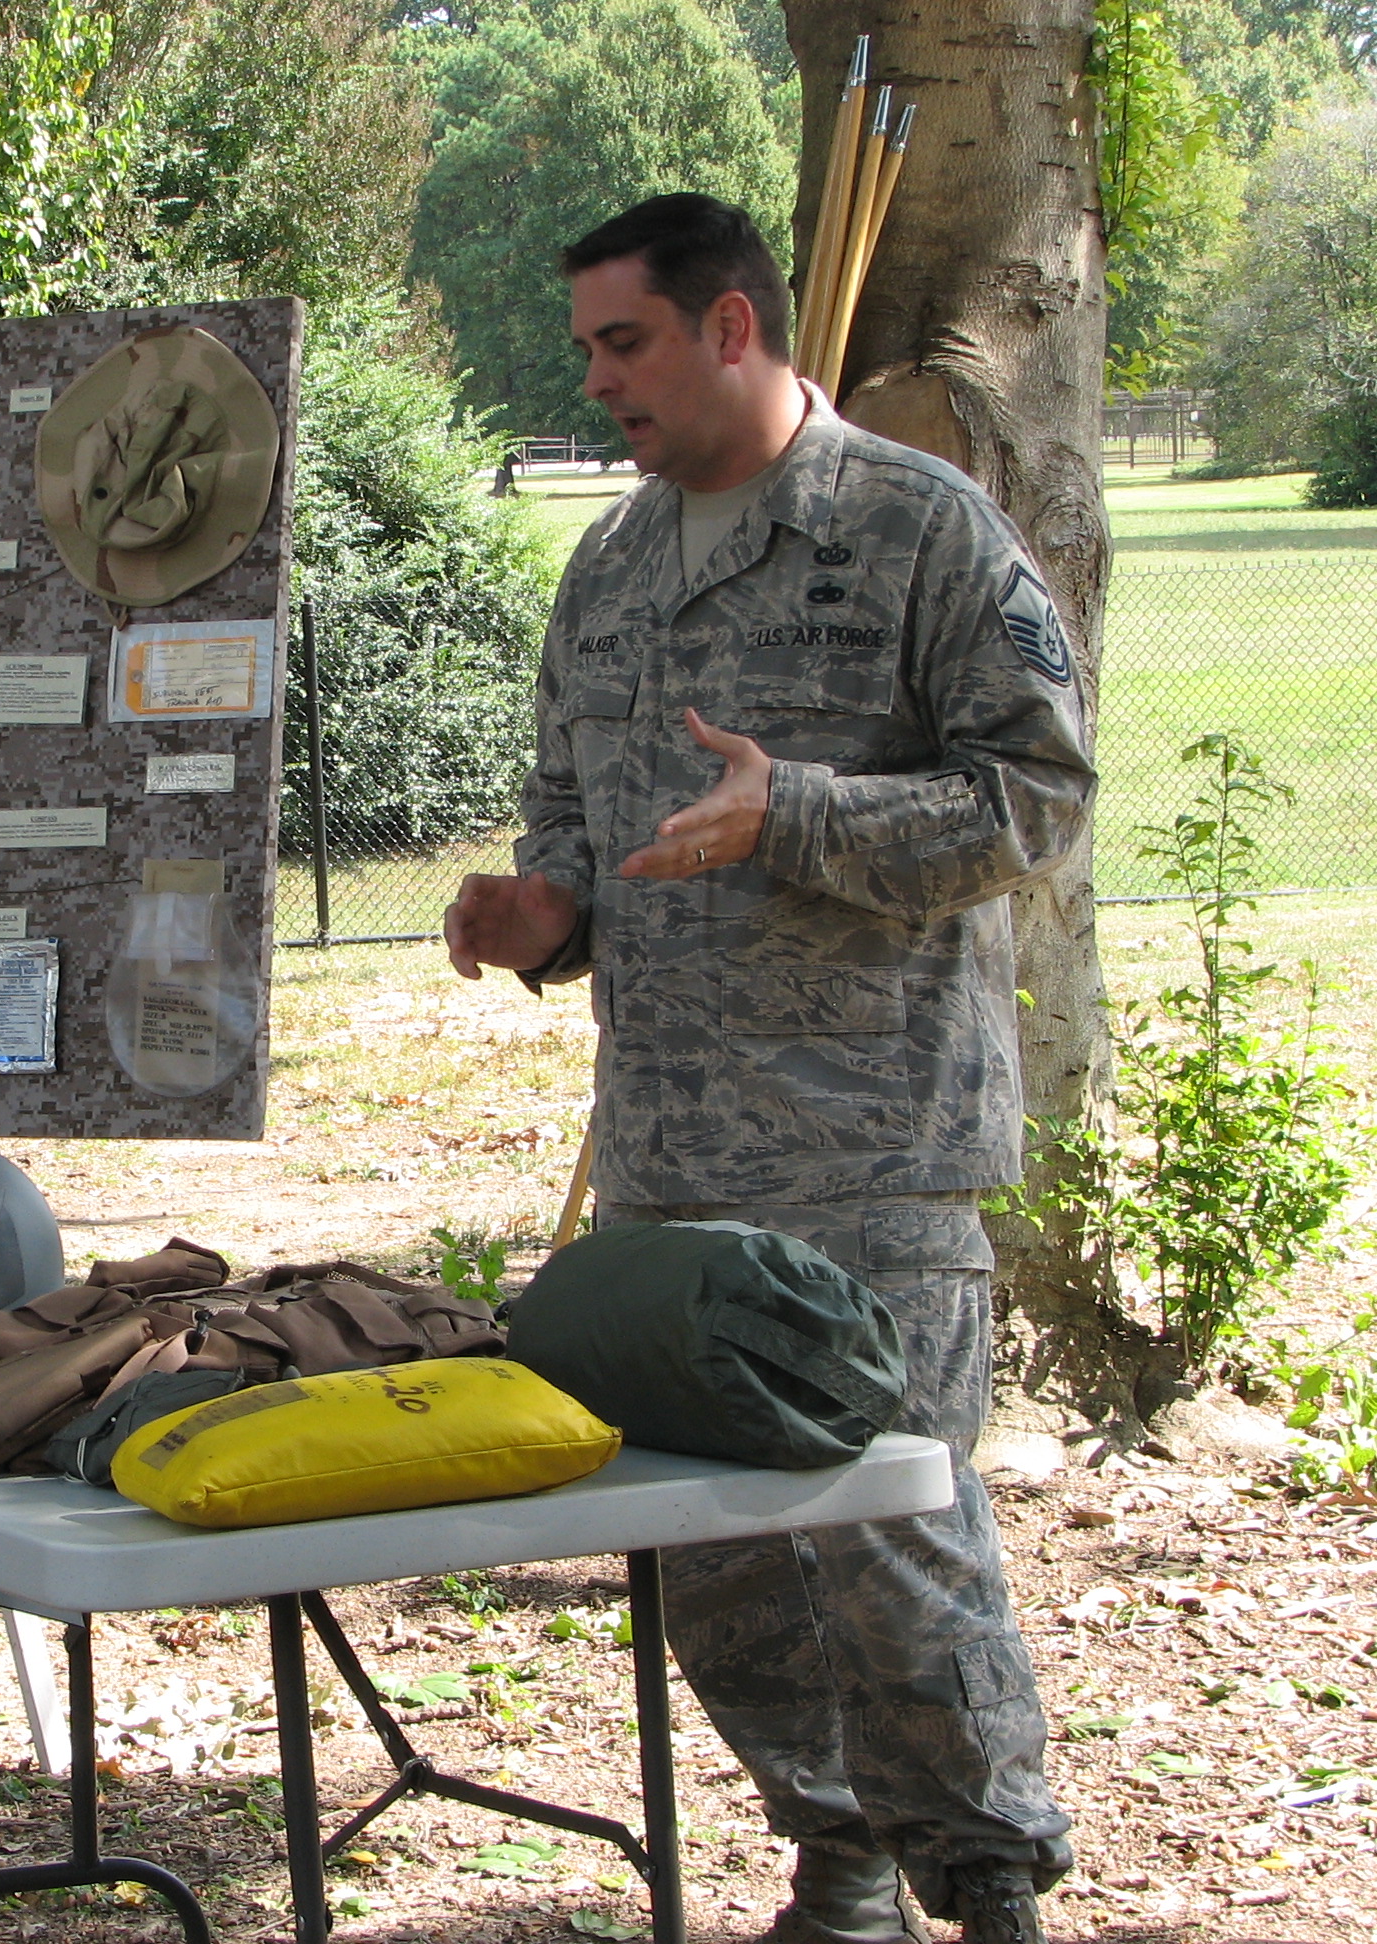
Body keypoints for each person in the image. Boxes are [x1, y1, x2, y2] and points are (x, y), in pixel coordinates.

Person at [444, 195, 1092, 1944]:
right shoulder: (608, 566)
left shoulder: (916, 528)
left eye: (624, 343)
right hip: (670, 1160)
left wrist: (793, 811)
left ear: (731, 326)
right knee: (716, 1569)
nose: (597, 382)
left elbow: (1035, 796)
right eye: (587, 347)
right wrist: (541, 908)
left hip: (871, 1154)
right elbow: (571, 812)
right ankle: (842, 1863)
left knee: (895, 1546)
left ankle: (989, 1886)